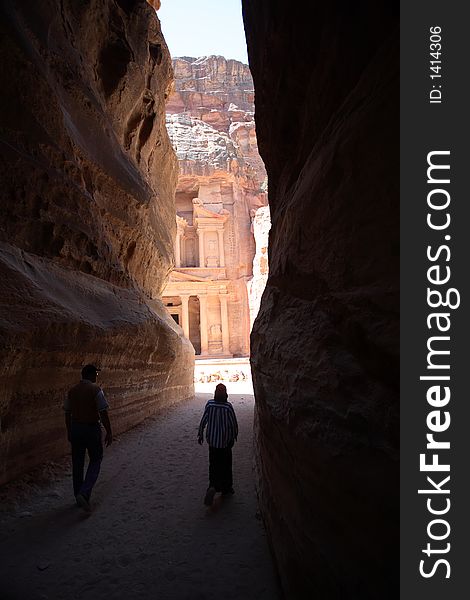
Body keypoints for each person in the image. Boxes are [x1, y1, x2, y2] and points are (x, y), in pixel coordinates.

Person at [64, 364, 113, 512]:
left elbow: (67, 413)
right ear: (91, 375)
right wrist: (109, 431)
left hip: (76, 428)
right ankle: (84, 493)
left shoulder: (72, 391)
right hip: (91, 428)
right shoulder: (95, 390)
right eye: (96, 374)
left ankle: (78, 496)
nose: (97, 376)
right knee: (96, 459)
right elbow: (103, 412)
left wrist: (69, 431)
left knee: (77, 463)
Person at [198, 383, 238, 506]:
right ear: (225, 393)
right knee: (226, 465)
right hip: (225, 442)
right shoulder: (228, 407)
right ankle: (226, 488)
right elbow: (233, 424)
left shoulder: (210, 404)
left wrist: (200, 434)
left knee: (213, 464)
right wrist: (234, 436)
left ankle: (213, 485)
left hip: (213, 442)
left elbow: (203, 420)